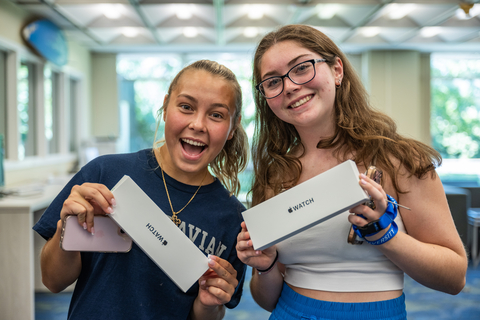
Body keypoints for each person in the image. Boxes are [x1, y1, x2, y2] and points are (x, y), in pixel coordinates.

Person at [236, 24, 467, 320]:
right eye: (272, 81)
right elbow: (267, 300)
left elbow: (455, 278)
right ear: (266, 98)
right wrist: (265, 265)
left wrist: (383, 232)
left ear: (337, 70)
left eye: (302, 68)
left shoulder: (400, 160)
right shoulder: (275, 173)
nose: (290, 86)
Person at [34, 59, 249, 320]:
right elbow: (52, 281)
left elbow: (206, 315)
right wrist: (65, 229)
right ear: (166, 107)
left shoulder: (232, 218)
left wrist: (209, 304)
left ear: (232, 127)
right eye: (186, 107)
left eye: (216, 115)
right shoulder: (105, 174)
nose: (198, 125)